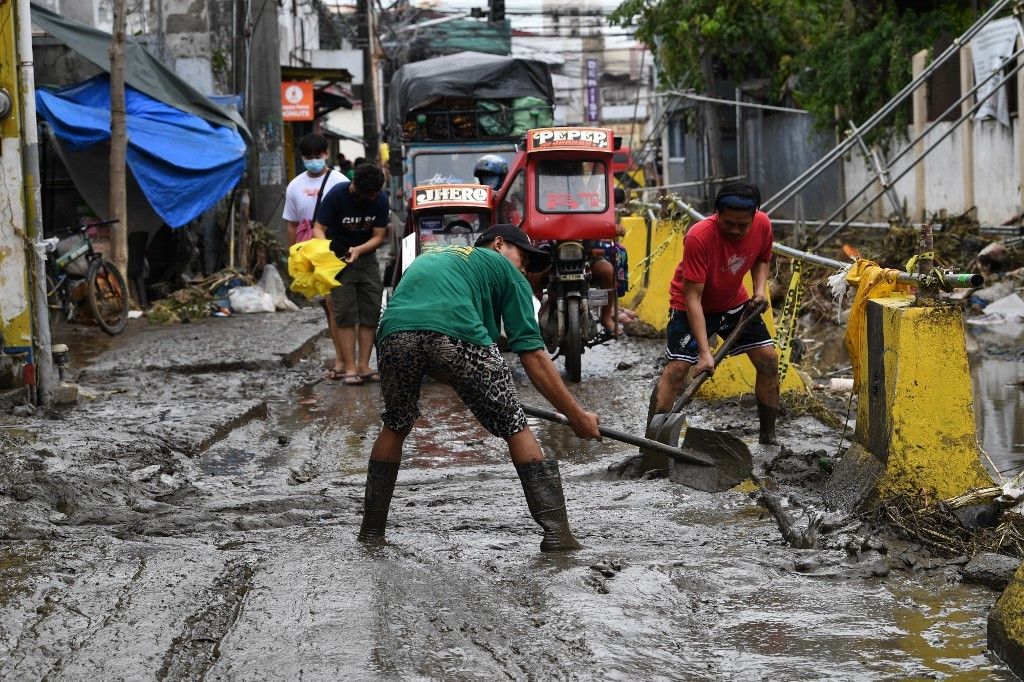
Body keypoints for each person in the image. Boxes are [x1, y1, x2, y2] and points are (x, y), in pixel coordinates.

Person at [357, 224, 602, 551]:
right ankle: (557, 533)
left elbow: (426, 339)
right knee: (514, 424)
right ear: (499, 244)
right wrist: (577, 416)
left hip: (392, 334)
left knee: (397, 422)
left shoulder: (433, 260)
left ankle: (371, 532)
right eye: (523, 257)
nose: (524, 269)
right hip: (454, 332)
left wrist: (464, 383)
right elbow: (533, 354)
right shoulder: (502, 266)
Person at [651, 182, 780, 446]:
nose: (735, 230)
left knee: (768, 360)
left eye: (742, 225)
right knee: (677, 370)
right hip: (690, 305)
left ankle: (768, 437)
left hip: (733, 302)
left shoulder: (763, 224)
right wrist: (705, 352)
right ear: (716, 213)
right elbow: (693, 298)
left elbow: (762, 258)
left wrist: (759, 290)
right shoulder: (699, 237)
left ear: (754, 216)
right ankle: (653, 442)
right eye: (728, 223)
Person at [313, 163, 389, 385]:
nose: (371, 199)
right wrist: (327, 250)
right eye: (368, 195)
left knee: (371, 311)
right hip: (337, 261)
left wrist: (359, 250)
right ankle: (350, 367)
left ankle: (364, 366)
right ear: (356, 186)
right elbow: (318, 228)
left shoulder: (381, 200)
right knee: (345, 313)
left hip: (366, 260)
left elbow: (378, 236)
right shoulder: (337, 196)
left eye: (374, 195)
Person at [282, 132, 347, 379]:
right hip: (308, 254)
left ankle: (344, 360)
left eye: (317, 156)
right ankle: (342, 358)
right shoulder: (294, 186)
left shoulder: (339, 181)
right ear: (302, 158)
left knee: (336, 305)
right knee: (328, 308)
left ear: (326, 154)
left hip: (334, 249)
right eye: (308, 157)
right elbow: (291, 224)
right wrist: (293, 256)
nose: (313, 161)